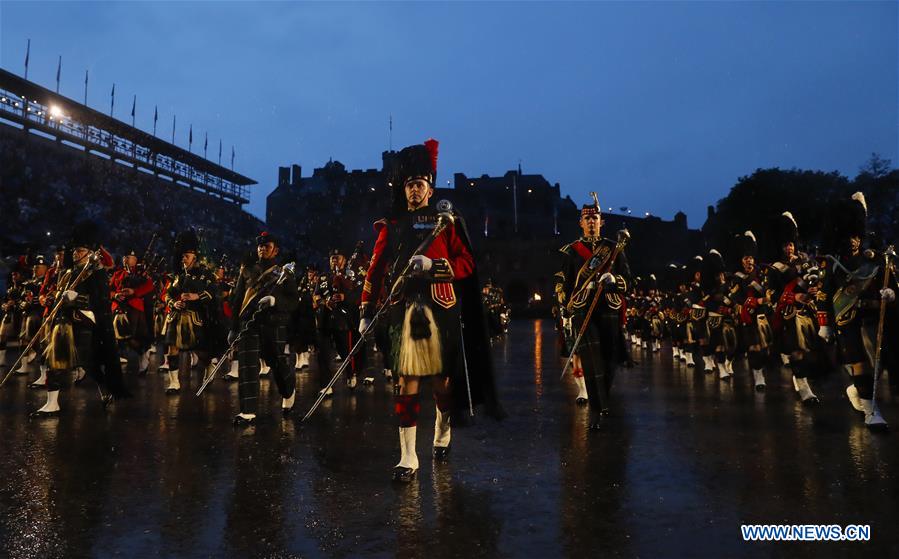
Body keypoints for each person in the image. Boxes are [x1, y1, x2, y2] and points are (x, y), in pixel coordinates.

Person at [359, 139, 502, 482]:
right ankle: (408, 456)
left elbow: (467, 263)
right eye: (409, 184)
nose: (414, 190)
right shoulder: (391, 225)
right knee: (405, 381)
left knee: (442, 383)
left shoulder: (447, 222)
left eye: (420, 184)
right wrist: (365, 309)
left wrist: (435, 265)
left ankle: (442, 425)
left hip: (441, 308)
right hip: (403, 308)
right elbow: (376, 269)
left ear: (431, 187)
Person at [554, 195, 631, 431]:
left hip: (608, 308)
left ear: (601, 221)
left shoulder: (613, 249)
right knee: (592, 360)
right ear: (580, 223)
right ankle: (597, 410)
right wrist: (565, 306)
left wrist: (614, 278)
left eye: (594, 218)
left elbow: (629, 280)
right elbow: (562, 282)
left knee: (609, 361)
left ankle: (603, 400)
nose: (591, 222)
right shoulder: (570, 252)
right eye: (586, 219)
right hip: (583, 309)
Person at [819, 192, 890, 429]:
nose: (852, 241)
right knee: (860, 362)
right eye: (848, 236)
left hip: (871, 315)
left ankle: (855, 390)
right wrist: (825, 323)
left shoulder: (872, 258)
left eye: (855, 236)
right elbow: (825, 292)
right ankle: (871, 411)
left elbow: (886, 279)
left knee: (879, 364)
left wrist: (890, 293)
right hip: (846, 318)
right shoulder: (833, 261)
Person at [227, 232, 298, 425]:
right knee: (247, 365)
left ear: (275, 249)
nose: (262, 248)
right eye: (260, 245)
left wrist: (276, 301)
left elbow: (293, 301)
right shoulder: (247, 270)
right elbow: (237, 299)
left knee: (276, 362)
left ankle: (288, 389)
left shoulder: (283, 273)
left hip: (272, 323)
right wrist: (233, 327)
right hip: (248, 323)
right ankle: (248, 411)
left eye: (267, 246)